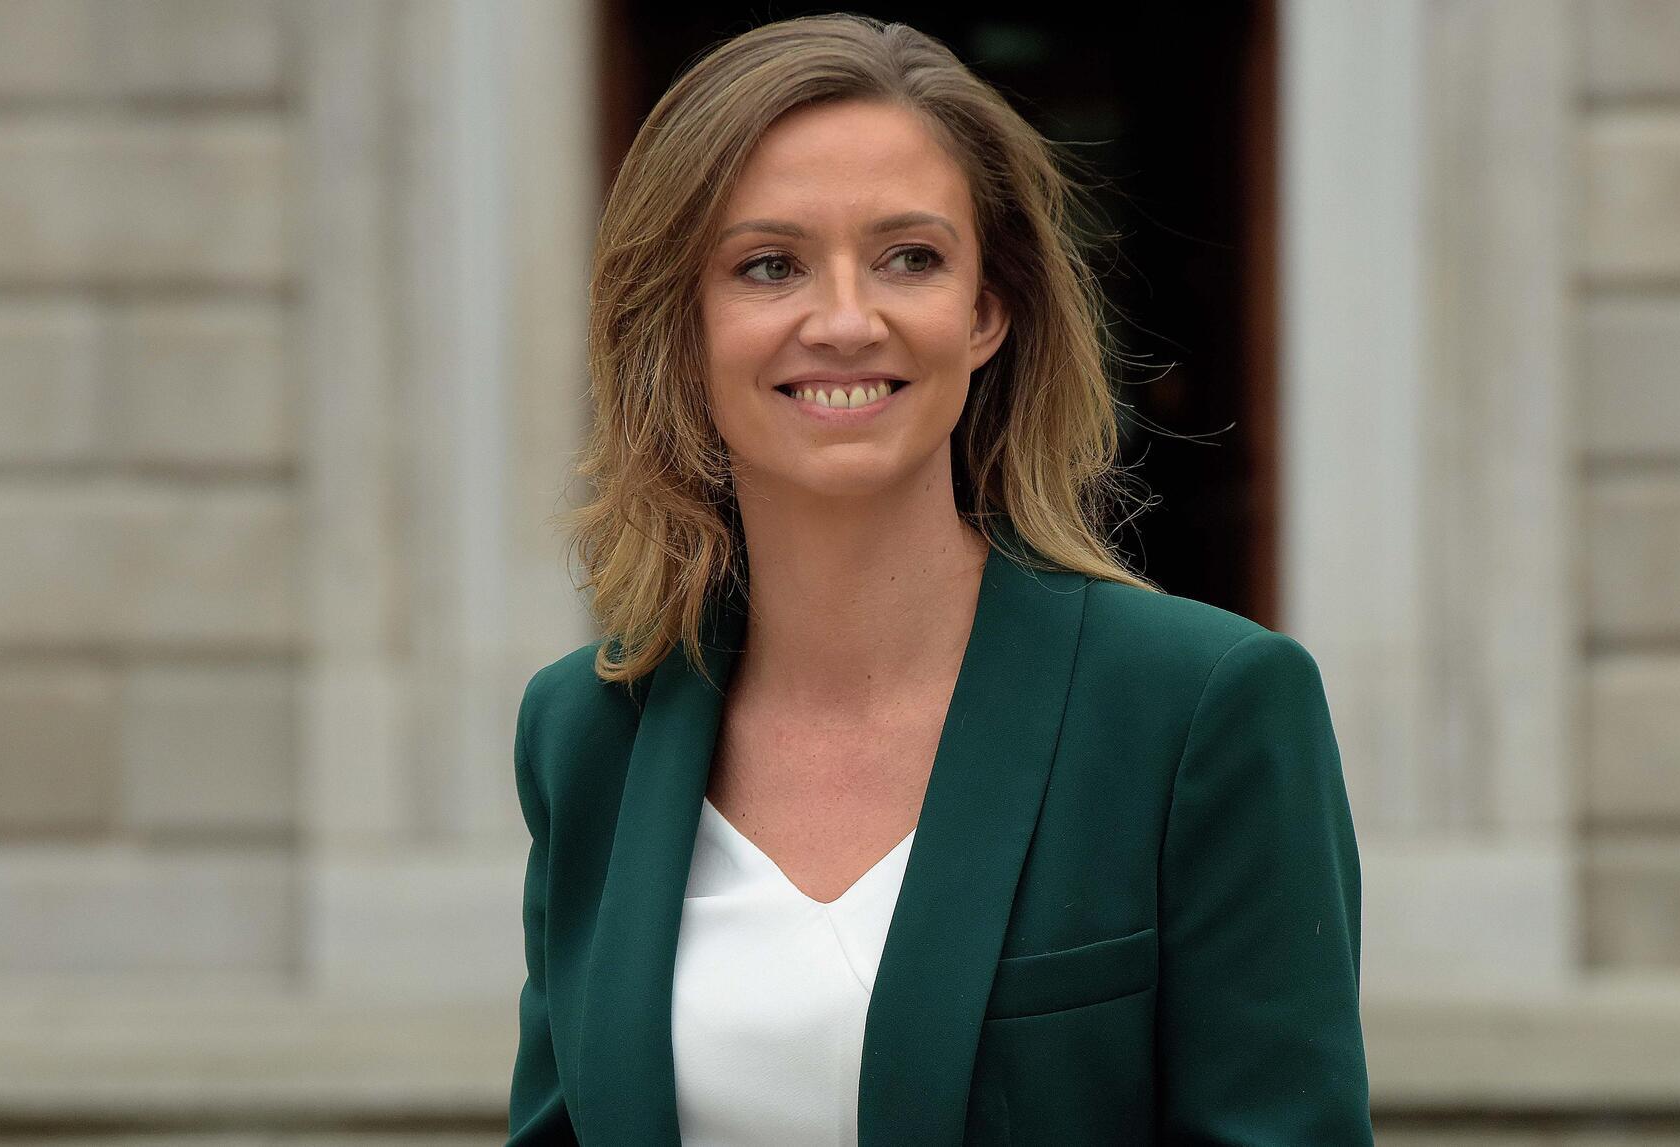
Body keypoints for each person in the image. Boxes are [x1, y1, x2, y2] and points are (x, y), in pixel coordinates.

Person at [505, 13, 1371, 1146]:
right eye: (769, 265)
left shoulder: (1203, 710)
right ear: (681, 321)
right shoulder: (586, 732)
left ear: (985, 311)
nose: (845, 320)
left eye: (909, 257)